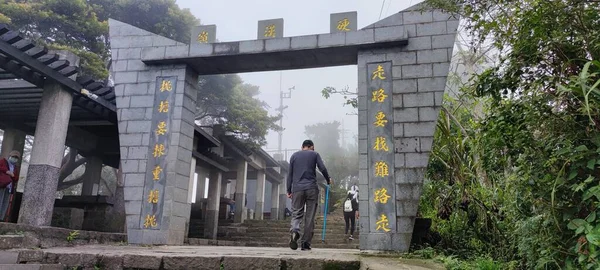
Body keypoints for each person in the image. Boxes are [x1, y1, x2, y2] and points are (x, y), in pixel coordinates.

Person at [287, 140, 332, 251]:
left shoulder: (294, 156)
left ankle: (295, 231)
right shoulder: (314, 154)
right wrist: (328, 179)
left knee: (296, 213)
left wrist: (289, 190)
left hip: (297, 189)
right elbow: (322, 168)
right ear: (312, 147)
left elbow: (290, 175)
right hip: (311, 188)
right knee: (310, 217)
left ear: (302, 147)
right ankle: (305, 244)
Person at [0, 151, 20, 221]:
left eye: (16, 158)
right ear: (10, 156)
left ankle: (1, 219)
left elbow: (16, 178)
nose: (14, 159)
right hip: (2, 185)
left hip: (9, 187)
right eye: (13, 157)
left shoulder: (15, 167)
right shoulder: (3, 161)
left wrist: (13, 175)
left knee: (5, 203)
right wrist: (7, 171)